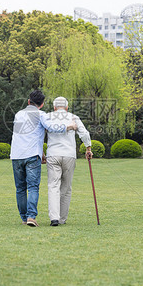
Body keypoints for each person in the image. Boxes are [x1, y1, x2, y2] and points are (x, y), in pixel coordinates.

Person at [10, 90, 77, 227]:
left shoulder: (18, 114)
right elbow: (52, 127)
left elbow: (24, 135)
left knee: (20, 188)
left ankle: (24, 218)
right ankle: (31, 217)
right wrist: (69, 126)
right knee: (33, 187)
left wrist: (43, 154)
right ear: (42, 104)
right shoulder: (41, 115)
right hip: (32, 155)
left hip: (16, 155)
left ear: (29, 102)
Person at [45, 96, 92, 227]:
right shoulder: (73, 117)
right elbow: (84, 134)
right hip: (69, 155)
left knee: (53, 186)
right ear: (66, 107)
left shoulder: (47, 117)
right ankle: (62, 219)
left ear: (54, 107)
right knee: (66, 187)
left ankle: (54, 218)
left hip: (53, 154)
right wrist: (88, 148)